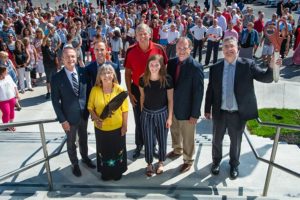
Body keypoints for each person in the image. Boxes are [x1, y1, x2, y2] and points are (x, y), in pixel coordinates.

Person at [204, 36, 281, 179]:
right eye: (225, 46)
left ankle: (234, 164)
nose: (228, 49)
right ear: (222, 49)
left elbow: (265, 78)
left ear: (237, 49)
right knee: (216, 139)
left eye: (231, 46)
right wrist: (207, 109)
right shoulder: (215, 68)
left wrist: (271, 66)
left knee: (236, 141)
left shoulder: (248, 65)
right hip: (220, 112)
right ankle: (216, 162)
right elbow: (210, 90)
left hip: (238, 113)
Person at [124, 23, 168, 159]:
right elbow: (127, 73)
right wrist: (130, 93)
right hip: (137, 90)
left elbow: (165, 70)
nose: (142, 36)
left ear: (150, 34)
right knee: (139, 119)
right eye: (139, 34)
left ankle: (152, 146)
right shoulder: (130, 51)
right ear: (135, 36)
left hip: (155, 90)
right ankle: (139, 145)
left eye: (145, 33)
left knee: (154, 120)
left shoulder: (159, 49)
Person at [51, 47, 96, 177]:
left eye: (72, 56)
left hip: (83, 114)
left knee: (84, 138)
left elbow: (88, 92)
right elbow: (55, 101)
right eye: (67, 57)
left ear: (76, 58)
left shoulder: (83, 72)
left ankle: (85, 158)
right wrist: (62, 120)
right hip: (69, 117)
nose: (70, 59)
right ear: (62, 59)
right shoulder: (56, 78)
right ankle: (74, 164)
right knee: (71, 142)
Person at [166, 37, 204, 173]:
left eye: (184, 48)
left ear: (190, 49)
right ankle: (177, 150)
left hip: (188, 111)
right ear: (176, 49)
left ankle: (188, 159)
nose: (181, 51)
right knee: (174, 131)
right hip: (172, 108)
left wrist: (195, 114)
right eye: (179, 48)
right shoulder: (170, 63)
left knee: (188, 137)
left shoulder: (196, 67)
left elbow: (198, 93)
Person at [87, 64, 128, 181]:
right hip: (101, 129)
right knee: (103, 151)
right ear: (99, 76)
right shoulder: (95, 90)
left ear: (113, 75)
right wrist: (95, 118)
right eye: (103, 73)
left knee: (117, 150)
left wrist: (125, 126)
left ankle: (117, 172)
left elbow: (125, 110)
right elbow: (90, 106)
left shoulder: (120, 90)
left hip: (117, 128)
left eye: (109, 72)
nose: (106, 75)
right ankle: (105, 173)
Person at [139, 54, 174, 177]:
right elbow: (142, 97)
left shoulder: (167, 79)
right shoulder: (143, 79)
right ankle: (149, 163)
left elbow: (170, 100)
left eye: (156, 65)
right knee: (148, 139)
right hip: (147, 114)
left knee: (162, 139)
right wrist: (143, 113)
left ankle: (160, 162)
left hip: (162, 113)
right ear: (148, 65)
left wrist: (169, 117)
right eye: (151, 65)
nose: (154, 67)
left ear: (161, 66)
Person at [0, 64, 19, 131]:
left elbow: (14, 85)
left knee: (12, 112)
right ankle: (6, 126)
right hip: (2, 100)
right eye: (6, 71)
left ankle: (11, 124)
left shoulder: (8, 77)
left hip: (11, 98)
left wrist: (17, 94)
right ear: (2, 72)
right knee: (6, 113)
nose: (7, 72)